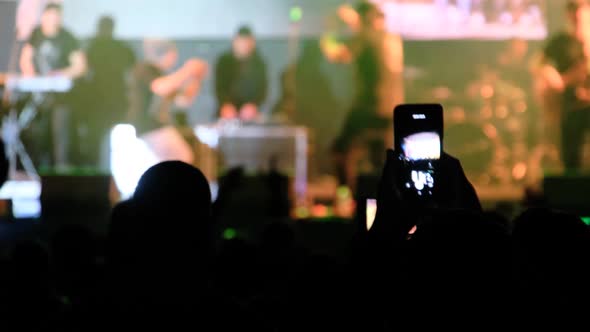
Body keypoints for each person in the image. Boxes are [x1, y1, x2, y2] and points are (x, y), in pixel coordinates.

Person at [320, 1, 404, 189]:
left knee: (340, 150)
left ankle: (345, 197)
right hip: (389, 108)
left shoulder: (366, 37)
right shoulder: (390, 38)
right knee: (380, 161)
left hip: (368, 106)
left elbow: (338, 55)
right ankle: (384, 203)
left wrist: (327, 36)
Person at [19, 2, 87, 169]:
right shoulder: (36, 34)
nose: (53, 21)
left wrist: (62, 73)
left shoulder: (67, 37)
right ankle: (37, 170)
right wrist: (33, 79)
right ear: (43, 17)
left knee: (60, 136)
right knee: (37, 134)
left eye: (57, 17)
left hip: (61, 98)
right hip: (38, 97)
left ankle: (60, 171)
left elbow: (80, 66)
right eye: (50, 17)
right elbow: (25, 59)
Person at [537, 0, 590, 173]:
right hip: (570, 108)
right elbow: (539, 63)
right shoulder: (561, 41)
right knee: (571, 157)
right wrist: (551, 76)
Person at [84, 16, 136, 169]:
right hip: (110, 98)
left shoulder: (93, 47)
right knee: (112, 136)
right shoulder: (120, 48)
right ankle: (109, 169)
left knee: (102, 136)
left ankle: (101, 168)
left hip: (101, 99)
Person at [129, 39, 207, 135]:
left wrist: (196, 78)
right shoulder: (145, 69)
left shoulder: (163, 75)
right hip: (148, 128)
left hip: (161, 126)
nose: (174, 61)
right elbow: (159, 88)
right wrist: (188, 70)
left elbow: (183, 101)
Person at [215, 26, 268, 122]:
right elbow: (219, 87)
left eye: (247, 42)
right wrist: (225, 105)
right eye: (241, 41)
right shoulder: (224, 61)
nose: (244, 45)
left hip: (251, 113)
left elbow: (263, 90)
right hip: (226, 112)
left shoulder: (259, 63)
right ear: (235, 41)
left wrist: (253, 105)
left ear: (252, 43)